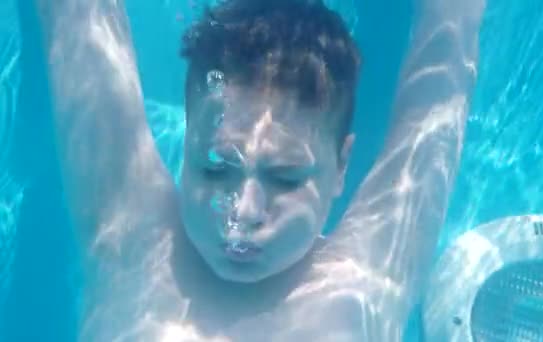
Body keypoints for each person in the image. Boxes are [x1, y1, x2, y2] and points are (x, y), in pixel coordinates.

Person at [35, 0, 484, 340]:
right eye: (214, 168)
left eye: (285, 178)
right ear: (187, 145)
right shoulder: (130, 239)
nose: (243, 212)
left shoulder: (372, 271)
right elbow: (77, 22)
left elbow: (441, 83)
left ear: (341, 167)